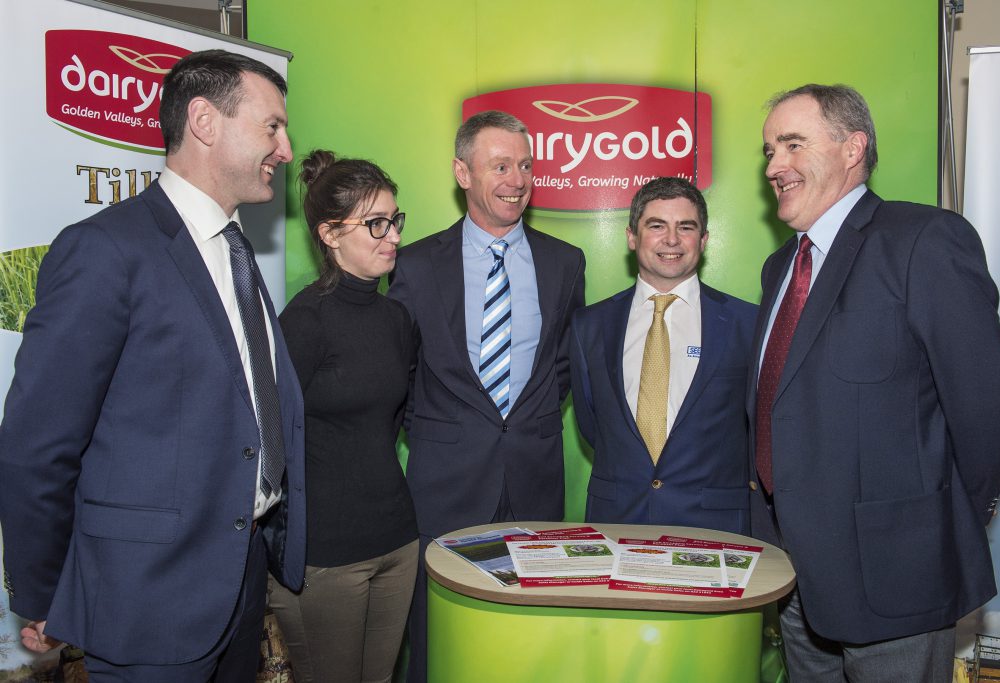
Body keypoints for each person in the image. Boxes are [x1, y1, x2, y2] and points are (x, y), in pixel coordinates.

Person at [0, 49, 306, 681]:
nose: (287, 148)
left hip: (240, 579)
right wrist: (40, 591)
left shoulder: (236, 251)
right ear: (204, 121)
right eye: (272, 126)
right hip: (148, 600)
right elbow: (38, 443)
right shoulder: (105, 250)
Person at [751, 83, 1000, 681]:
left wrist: (935, 521)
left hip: (897, 574)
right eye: (769, 150)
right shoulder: (781, 268)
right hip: (795, 573)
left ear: (853, 148)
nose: (774, 166)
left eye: (792, 144)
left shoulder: (922, 240)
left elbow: (989, 404)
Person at [388, 109, 585, 682]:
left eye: (525, 165)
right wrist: (441, 430)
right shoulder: (416, 264)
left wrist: (529, 419)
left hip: (534, 476)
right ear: (462, 172)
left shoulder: (564, 262)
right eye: (501, 165)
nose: (517, 180)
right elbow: (399, 367)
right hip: (444, 481)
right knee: (439, 633)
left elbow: (563, 362)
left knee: (529, 636)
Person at [268, 151, 418, 683]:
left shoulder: (397, 318)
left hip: (398, 543)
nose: (393, 235)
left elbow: (393, 421)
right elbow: (265, 438)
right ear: (330, 233)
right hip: (324, 559)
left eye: (395, 220)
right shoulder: (304, 323)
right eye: (376, 223)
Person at [570, 177, 756, 533]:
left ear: (703, 240)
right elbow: (594, 426)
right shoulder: (589, 326)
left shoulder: (747, 323)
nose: (671, 240)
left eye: (685, 227)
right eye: (656, 226)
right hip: (617, 522)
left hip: (714, 530)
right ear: (631, 237)